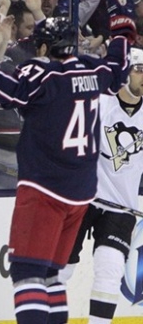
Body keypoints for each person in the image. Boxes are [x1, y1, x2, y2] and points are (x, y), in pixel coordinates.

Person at [0, 0, 134, 323]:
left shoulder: (45, 78)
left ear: (43, 49)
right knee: (51, 276)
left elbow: (8, 90)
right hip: (81, 192)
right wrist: (121, 21)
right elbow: (119, 61)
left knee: (27, 273)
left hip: (45, 190)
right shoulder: (94, 72)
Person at [57, 47, 143, 324]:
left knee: (111, 266)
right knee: (61, 267)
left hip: (122, 207)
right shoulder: (99, 105)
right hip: (82, 199)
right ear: (125, 73)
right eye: (140, 70)